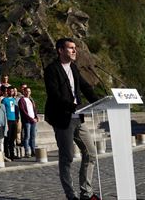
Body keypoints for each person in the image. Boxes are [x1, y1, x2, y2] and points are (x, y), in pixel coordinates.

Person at [45, 38, 100, 200]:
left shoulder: (74, 68)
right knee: (67, 157)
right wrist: (71, 106)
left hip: (78, 117)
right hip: (62, 118)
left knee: (91, 153)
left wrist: (97, 103)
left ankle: (86, 193)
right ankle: (71, 195)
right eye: (70, 48)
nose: (74, 51)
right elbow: (53, 95)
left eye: (75, 48)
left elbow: (85, 87)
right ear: (60, 50)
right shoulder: (51, 70)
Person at [19, 87, 38, 158]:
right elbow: (23, 111)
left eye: (29, 91)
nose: (28, 92)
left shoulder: (30, 99)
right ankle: (27, 151)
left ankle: (33, 151)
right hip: (27, 121)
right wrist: (30, 118)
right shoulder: (22, 100)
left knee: (33, 136)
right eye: (26, 91)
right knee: (27, 136)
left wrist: (36, 117)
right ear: (24, 92)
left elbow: (34, 109)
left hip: (33, 120)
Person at [1, 86, 19, 160]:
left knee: (13, 138)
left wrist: (17, 118)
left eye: (12, 91)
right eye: (9, 91)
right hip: (8, 120)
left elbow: (16, 109)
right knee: (7, 138)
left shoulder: (14, 100)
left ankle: (12, 153)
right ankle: (6, 154)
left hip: (14, 120)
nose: (11, 92)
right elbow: (3, 110)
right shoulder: (4, 100)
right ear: (7, 91)